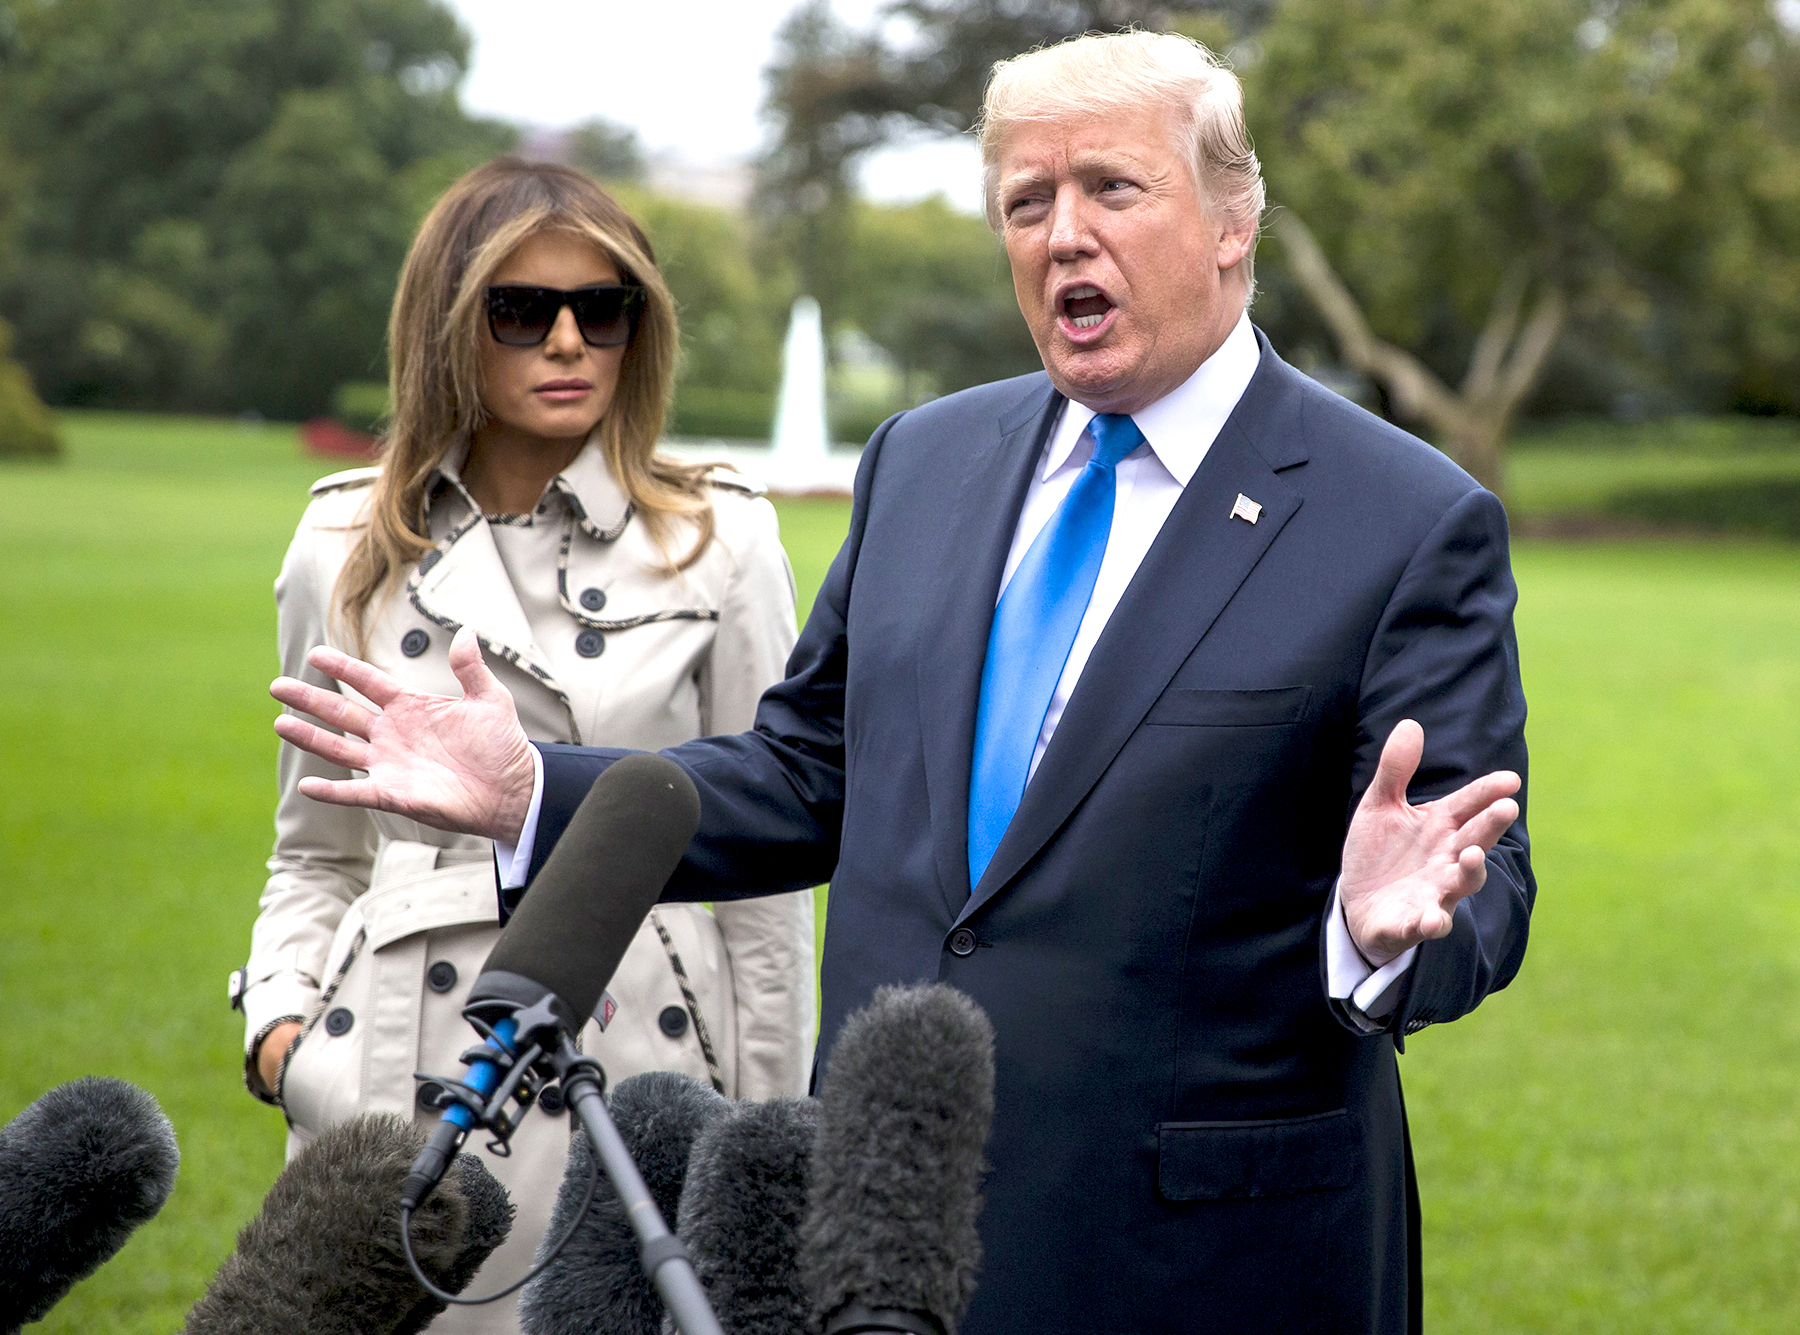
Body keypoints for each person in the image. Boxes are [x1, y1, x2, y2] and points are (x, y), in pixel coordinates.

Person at [270, 34, 1533, 1335]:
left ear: (1232, 221)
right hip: (885, 1228)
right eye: (1027, 202)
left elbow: (1476, 873)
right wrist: (537, 790)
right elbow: (804, 771)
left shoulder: (1402, 519)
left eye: (1112, 187)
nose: (1064, 234)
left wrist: (1380, 931)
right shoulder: (925, 460)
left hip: (1204, 1260)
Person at [236, 158, 816, 1332]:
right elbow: (314, 850)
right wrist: (281, 1037)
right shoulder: (343, 542)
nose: (567, 341)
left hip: (634, 1069)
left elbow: (765, 885)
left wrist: (762, 1142)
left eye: (602, 309)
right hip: (393, 1079)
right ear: (449, 325)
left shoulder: (722, 542)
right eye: (521, 309)